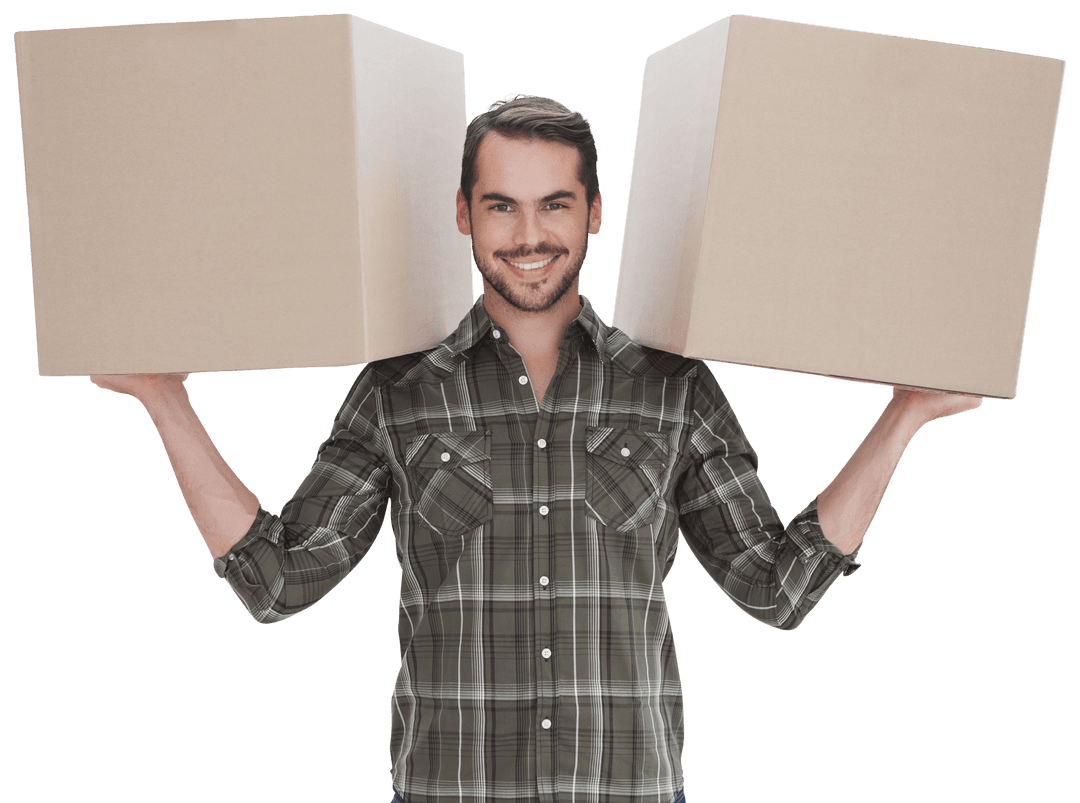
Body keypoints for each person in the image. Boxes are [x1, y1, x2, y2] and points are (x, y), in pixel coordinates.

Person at [90, 95, 983, 803]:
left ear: (594, 211)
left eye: (555, 203)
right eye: (501, 206)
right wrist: (165, 401)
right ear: (464, 216)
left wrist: (903, 413)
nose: (529, 236)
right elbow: (279, 579)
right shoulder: (400, 390)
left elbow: (777, 587)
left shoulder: (672, 387)